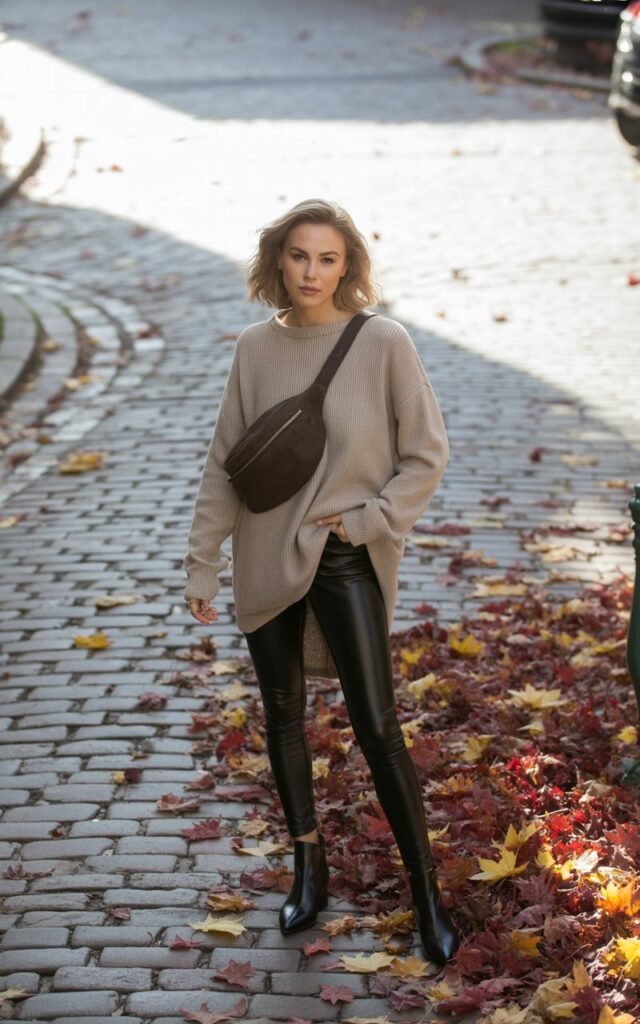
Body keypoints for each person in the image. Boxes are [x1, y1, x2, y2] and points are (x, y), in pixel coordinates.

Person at [183, 198, 460, 964]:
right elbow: (226, 465)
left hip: (344, 555)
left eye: (327, 258)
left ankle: (426, 891)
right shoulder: (254, 349)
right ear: (279, 260)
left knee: (377, 724)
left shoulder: (382, 342)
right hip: (264, 553)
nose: (312, 272)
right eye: (300, 256)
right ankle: (310, 866)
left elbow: (427, 452)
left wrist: (372, 519)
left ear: (348, 267)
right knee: (282, 715)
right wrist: (203, 561)